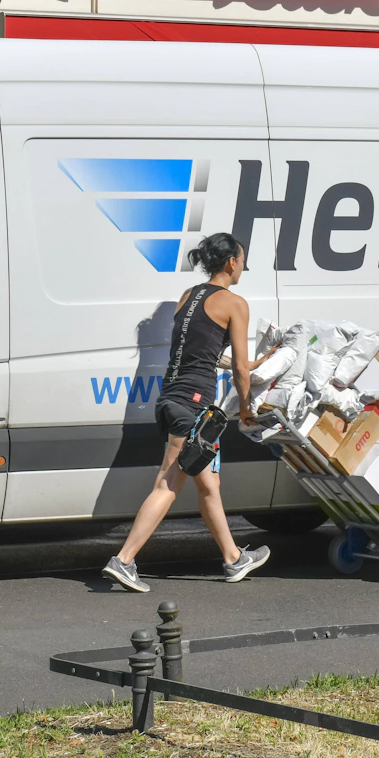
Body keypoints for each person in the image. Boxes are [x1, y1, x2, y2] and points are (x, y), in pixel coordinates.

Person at [103, 232, 272, 594]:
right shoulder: (234, 303)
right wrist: (245, 409)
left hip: (171, 399)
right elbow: (239, 370)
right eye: (242, 260)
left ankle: (232, 558)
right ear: (231, 263)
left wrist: (253, 363)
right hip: (194, 406)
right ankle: (124, 559)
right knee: (168, 483)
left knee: (208, 483)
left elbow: (206, 354)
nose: (242, 267)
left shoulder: (189, 296)